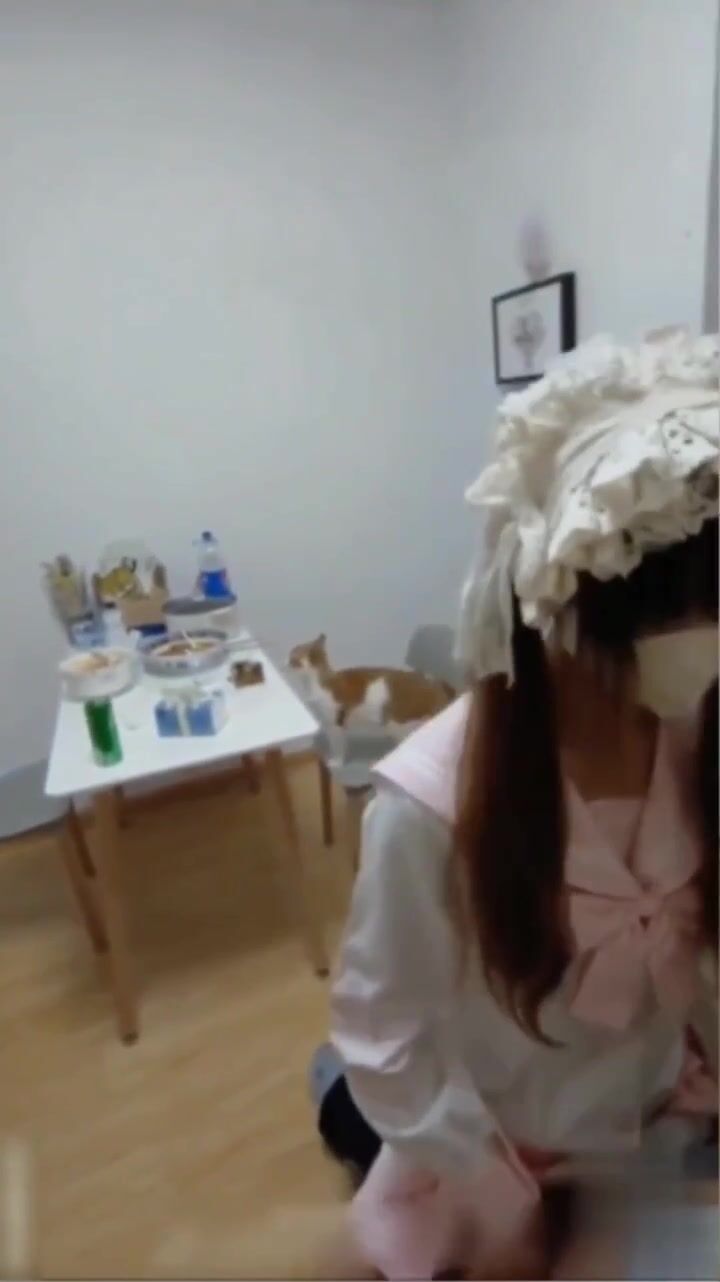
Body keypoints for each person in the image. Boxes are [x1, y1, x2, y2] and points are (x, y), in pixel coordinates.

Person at [313, 330, 719, 1279]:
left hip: (655, 1133)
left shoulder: (691, 740)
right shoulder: (430, 810)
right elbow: (388, 1029)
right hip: (502, 1164)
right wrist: (494, 1188)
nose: (707, 641)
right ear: (562, 604)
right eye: (686, 612)